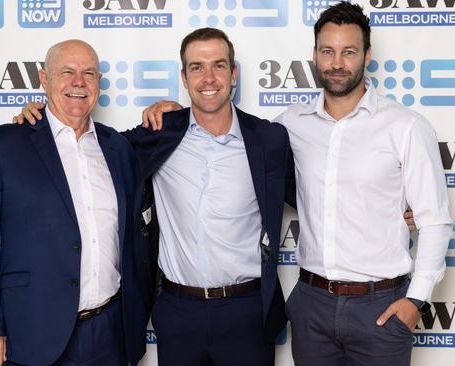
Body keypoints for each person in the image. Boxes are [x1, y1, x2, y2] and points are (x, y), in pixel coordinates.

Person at [141, 3, 451, 366]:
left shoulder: (406, 127)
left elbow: (435, 220)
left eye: (348, 52)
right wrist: (170, 112)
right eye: (327, 51)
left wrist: (416, 300)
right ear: (315, 56)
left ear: (367, 56)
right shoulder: (289, 125)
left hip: (380, 305)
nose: (337, 63)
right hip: (311, 304)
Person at [15, 28, 296, 366]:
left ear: (233, 74)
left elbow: (317, 200)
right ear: (184, 76)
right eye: (196, 67)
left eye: (219, 66)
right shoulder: (160, 134)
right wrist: (42, 120)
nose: (208, 77)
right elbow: (89, 146)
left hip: (247, 311)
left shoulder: (269, 138)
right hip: (178, 312)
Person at [0, 39, 147, 366]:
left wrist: (168, 109)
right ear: (44, 79)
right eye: (67, 72)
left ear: (99, 84)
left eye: (89, 73)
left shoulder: (117, 147)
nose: (79, 82)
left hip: (111, 334)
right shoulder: (4, 145)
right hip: (35, 335)